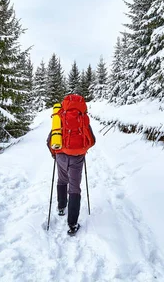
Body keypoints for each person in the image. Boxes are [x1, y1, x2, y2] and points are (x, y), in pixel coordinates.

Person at [46, 94, 96, 235]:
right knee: (75, 188)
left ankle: (62, 207)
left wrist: (54, 154)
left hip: (61, 155)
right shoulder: (83, 118)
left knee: (62, 180)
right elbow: (92, 140)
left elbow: (50, 140)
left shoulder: (59, 116)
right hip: (77, 157)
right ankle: (72, 224)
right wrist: (83, 150)